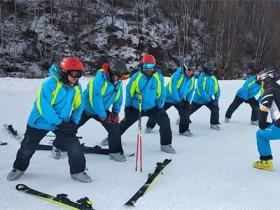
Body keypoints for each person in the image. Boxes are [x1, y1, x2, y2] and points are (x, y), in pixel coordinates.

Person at [7, 57, 92, 183]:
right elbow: (43, 106)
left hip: (61, 122)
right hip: (40, 122)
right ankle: (18, 168)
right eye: (74, 73)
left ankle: (78, 171)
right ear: (64, 72)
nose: (76, 77)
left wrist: (74, 122)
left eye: (79, 74)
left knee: (74, 146)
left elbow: (79, 106)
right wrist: (59, 123)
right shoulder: (49, 84)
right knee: (27, 148)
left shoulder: (76, 87)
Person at [120, 54, 175, 153]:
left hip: (152, 107)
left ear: (154, 66)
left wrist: (160, 107)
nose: (148, 69)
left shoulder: (158, 77)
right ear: (142, 66)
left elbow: (162, 94)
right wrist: (127, 107)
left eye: (151, 66)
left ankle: (166, 145)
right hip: (136, 107)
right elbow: (129, 93)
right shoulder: (136, 77)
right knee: (124, 123)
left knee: (165, 121)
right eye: (146, 66)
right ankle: (112, 139)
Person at [79, 59, 129, 162]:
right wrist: (103, 115)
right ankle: (58, 146)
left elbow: (118, 98)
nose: (119, 79)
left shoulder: (117, 82)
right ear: (112, 73)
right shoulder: (98, 80)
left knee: (114, 127)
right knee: (71, 127)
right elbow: (95, 99)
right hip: (86, 108)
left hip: (102, 109)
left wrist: (115, 113)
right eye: (118, 77)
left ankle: (115, 152)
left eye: (121, 78)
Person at [145, 59, 196, 136]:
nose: (190, 71)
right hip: (167, 98)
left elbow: (191, 88)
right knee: (158, 112)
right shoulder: (177, 75)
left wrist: (188, 101)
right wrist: (179, 100)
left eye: (192, 70)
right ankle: (149, 126)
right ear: (185, 68)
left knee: (185, 111)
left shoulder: (192, 78)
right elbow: (173, 89)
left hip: (179, 99)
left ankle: (183, 130)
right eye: (188, 69)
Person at [252, 68, 280, 171]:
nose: (261, 85)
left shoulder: (269, 90)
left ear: (267, 80)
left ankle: (266, 161)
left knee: (261, 134)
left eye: (262, 82)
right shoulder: (278, 88)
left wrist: (262, 123)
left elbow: (264, 108)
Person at [190, 62, 221, 130]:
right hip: (198, 99)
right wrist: (209, 100)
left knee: (215, 108)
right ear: (206, 70)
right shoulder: (201, 78)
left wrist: (216, 99)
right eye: (210, 70)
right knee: (189, 110)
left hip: (208, 99)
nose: (211, 72)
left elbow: (217, 88)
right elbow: (201, 91)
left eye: (212, 70)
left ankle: (214, 123)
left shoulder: (213, 78)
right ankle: (182, 119)